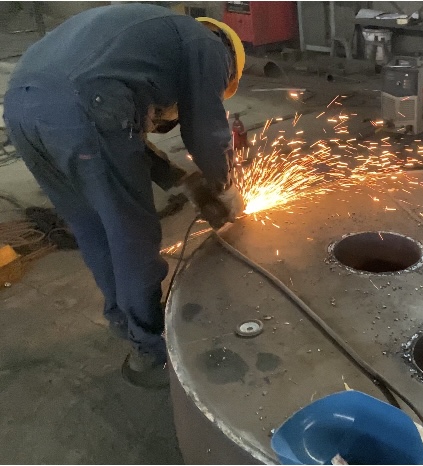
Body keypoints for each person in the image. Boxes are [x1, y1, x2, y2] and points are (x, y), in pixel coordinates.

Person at [2, 4, 246, 388]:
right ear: (228, 64)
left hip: (20, 108)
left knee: (91, 225)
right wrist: (226, 186)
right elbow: (205, 129)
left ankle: (124, 320)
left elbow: (117, 137)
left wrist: (181, 179)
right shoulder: (208, 47)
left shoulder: (148, 44)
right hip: (84, 103)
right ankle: (151, 347)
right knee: (131, 232)